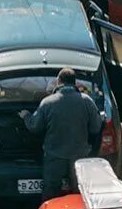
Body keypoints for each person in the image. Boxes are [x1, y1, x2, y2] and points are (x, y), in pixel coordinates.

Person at [22, 67, 104, 199]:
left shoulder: (48, 102)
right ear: (75, 83)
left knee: (51, 194)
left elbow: (34, 127)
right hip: (79, 156)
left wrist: (26, 116)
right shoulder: (87, 101)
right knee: (79, 193)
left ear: (58, 81)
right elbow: (95, 128)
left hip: (54, 157)